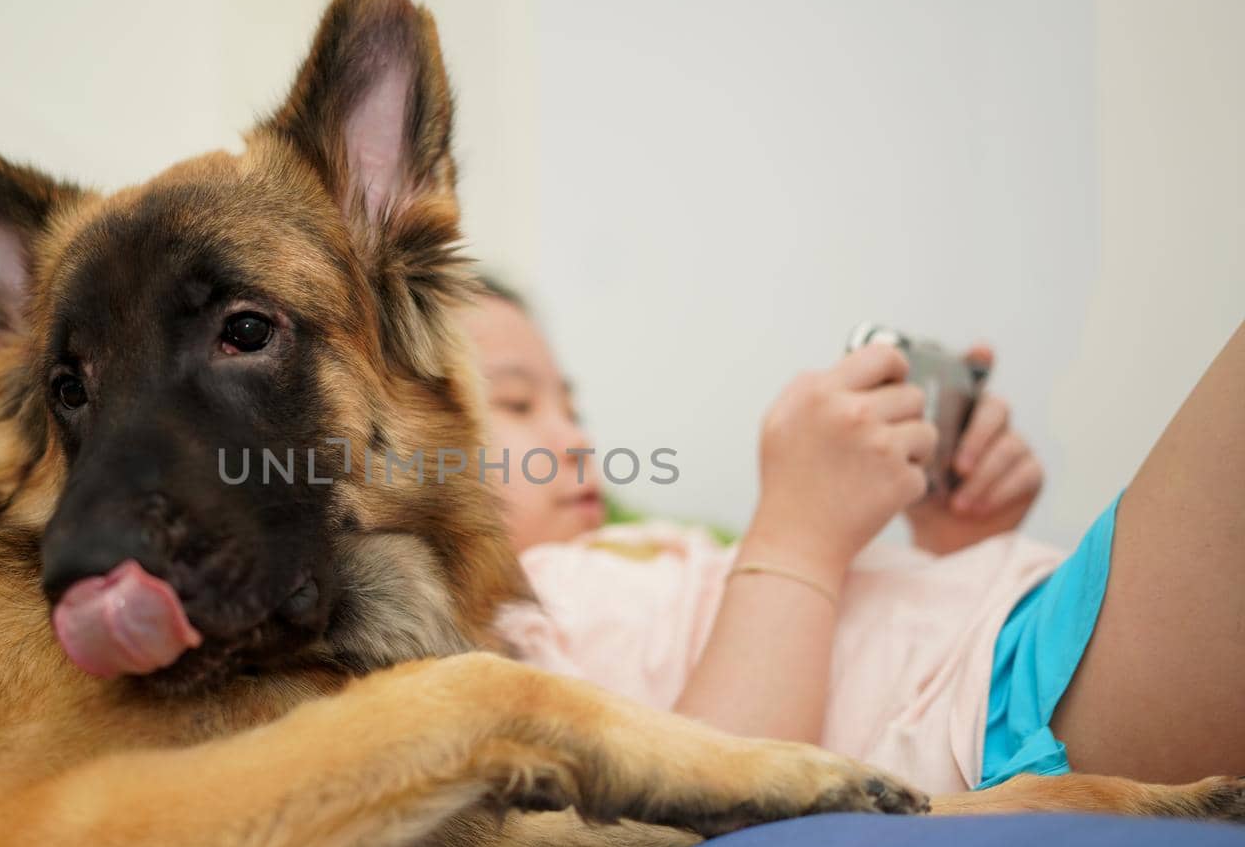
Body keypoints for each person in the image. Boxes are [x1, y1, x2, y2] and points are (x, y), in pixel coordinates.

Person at [463, 281, 1245, 795]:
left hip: (1013, 640)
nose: (571, 438)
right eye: (518, 403)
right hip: (1014, 706)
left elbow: (864, 662)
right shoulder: (505, 627)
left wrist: (950, 544)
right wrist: (799, 537)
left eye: (572, 406)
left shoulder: (633, 547)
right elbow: (713, 789)